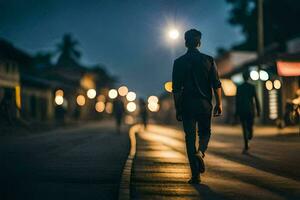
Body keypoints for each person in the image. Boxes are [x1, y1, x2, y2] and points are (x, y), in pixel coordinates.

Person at [172, 29, 222, 184]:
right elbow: (216, 84)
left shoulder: (179, 62)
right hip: (204, 105)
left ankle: (195, 175)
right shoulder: (208, 60)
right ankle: (201, 152)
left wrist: (178, 108)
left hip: (187, 105)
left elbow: (176, 89)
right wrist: (219, 103)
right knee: (205, 133)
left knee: (189, 139)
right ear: (199, 42)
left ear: (185, 42)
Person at [235, 71, 260, 154]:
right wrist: (258, 110)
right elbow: (256, 99)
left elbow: (237, 101)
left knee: (244, 128)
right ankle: (249, 137)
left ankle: (246, 144)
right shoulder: (252, 87)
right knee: (250, 126)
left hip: (242, 110)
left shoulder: (239, 87)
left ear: (243, 77)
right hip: (250, 110)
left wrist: (236, 112)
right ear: (249, 77)